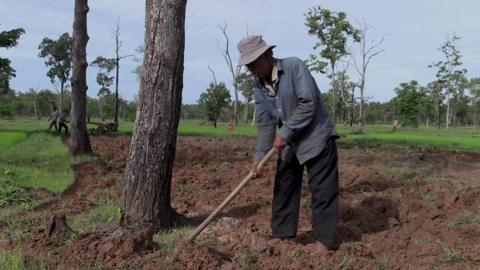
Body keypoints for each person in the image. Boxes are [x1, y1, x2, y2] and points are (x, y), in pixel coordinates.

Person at [237, 35, 339, 253]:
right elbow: (265, 124)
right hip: (290, 144)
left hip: (316, 137)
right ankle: (282, 235)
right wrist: (259, 156)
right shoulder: (259, 89)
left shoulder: (294, 66)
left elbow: (308, 102)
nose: (252, 69)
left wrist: (284, 132)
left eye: (254, 63)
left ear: (268, 55)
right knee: (283, 187)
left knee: (322, 192)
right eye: (248, 66)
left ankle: (325, 242)